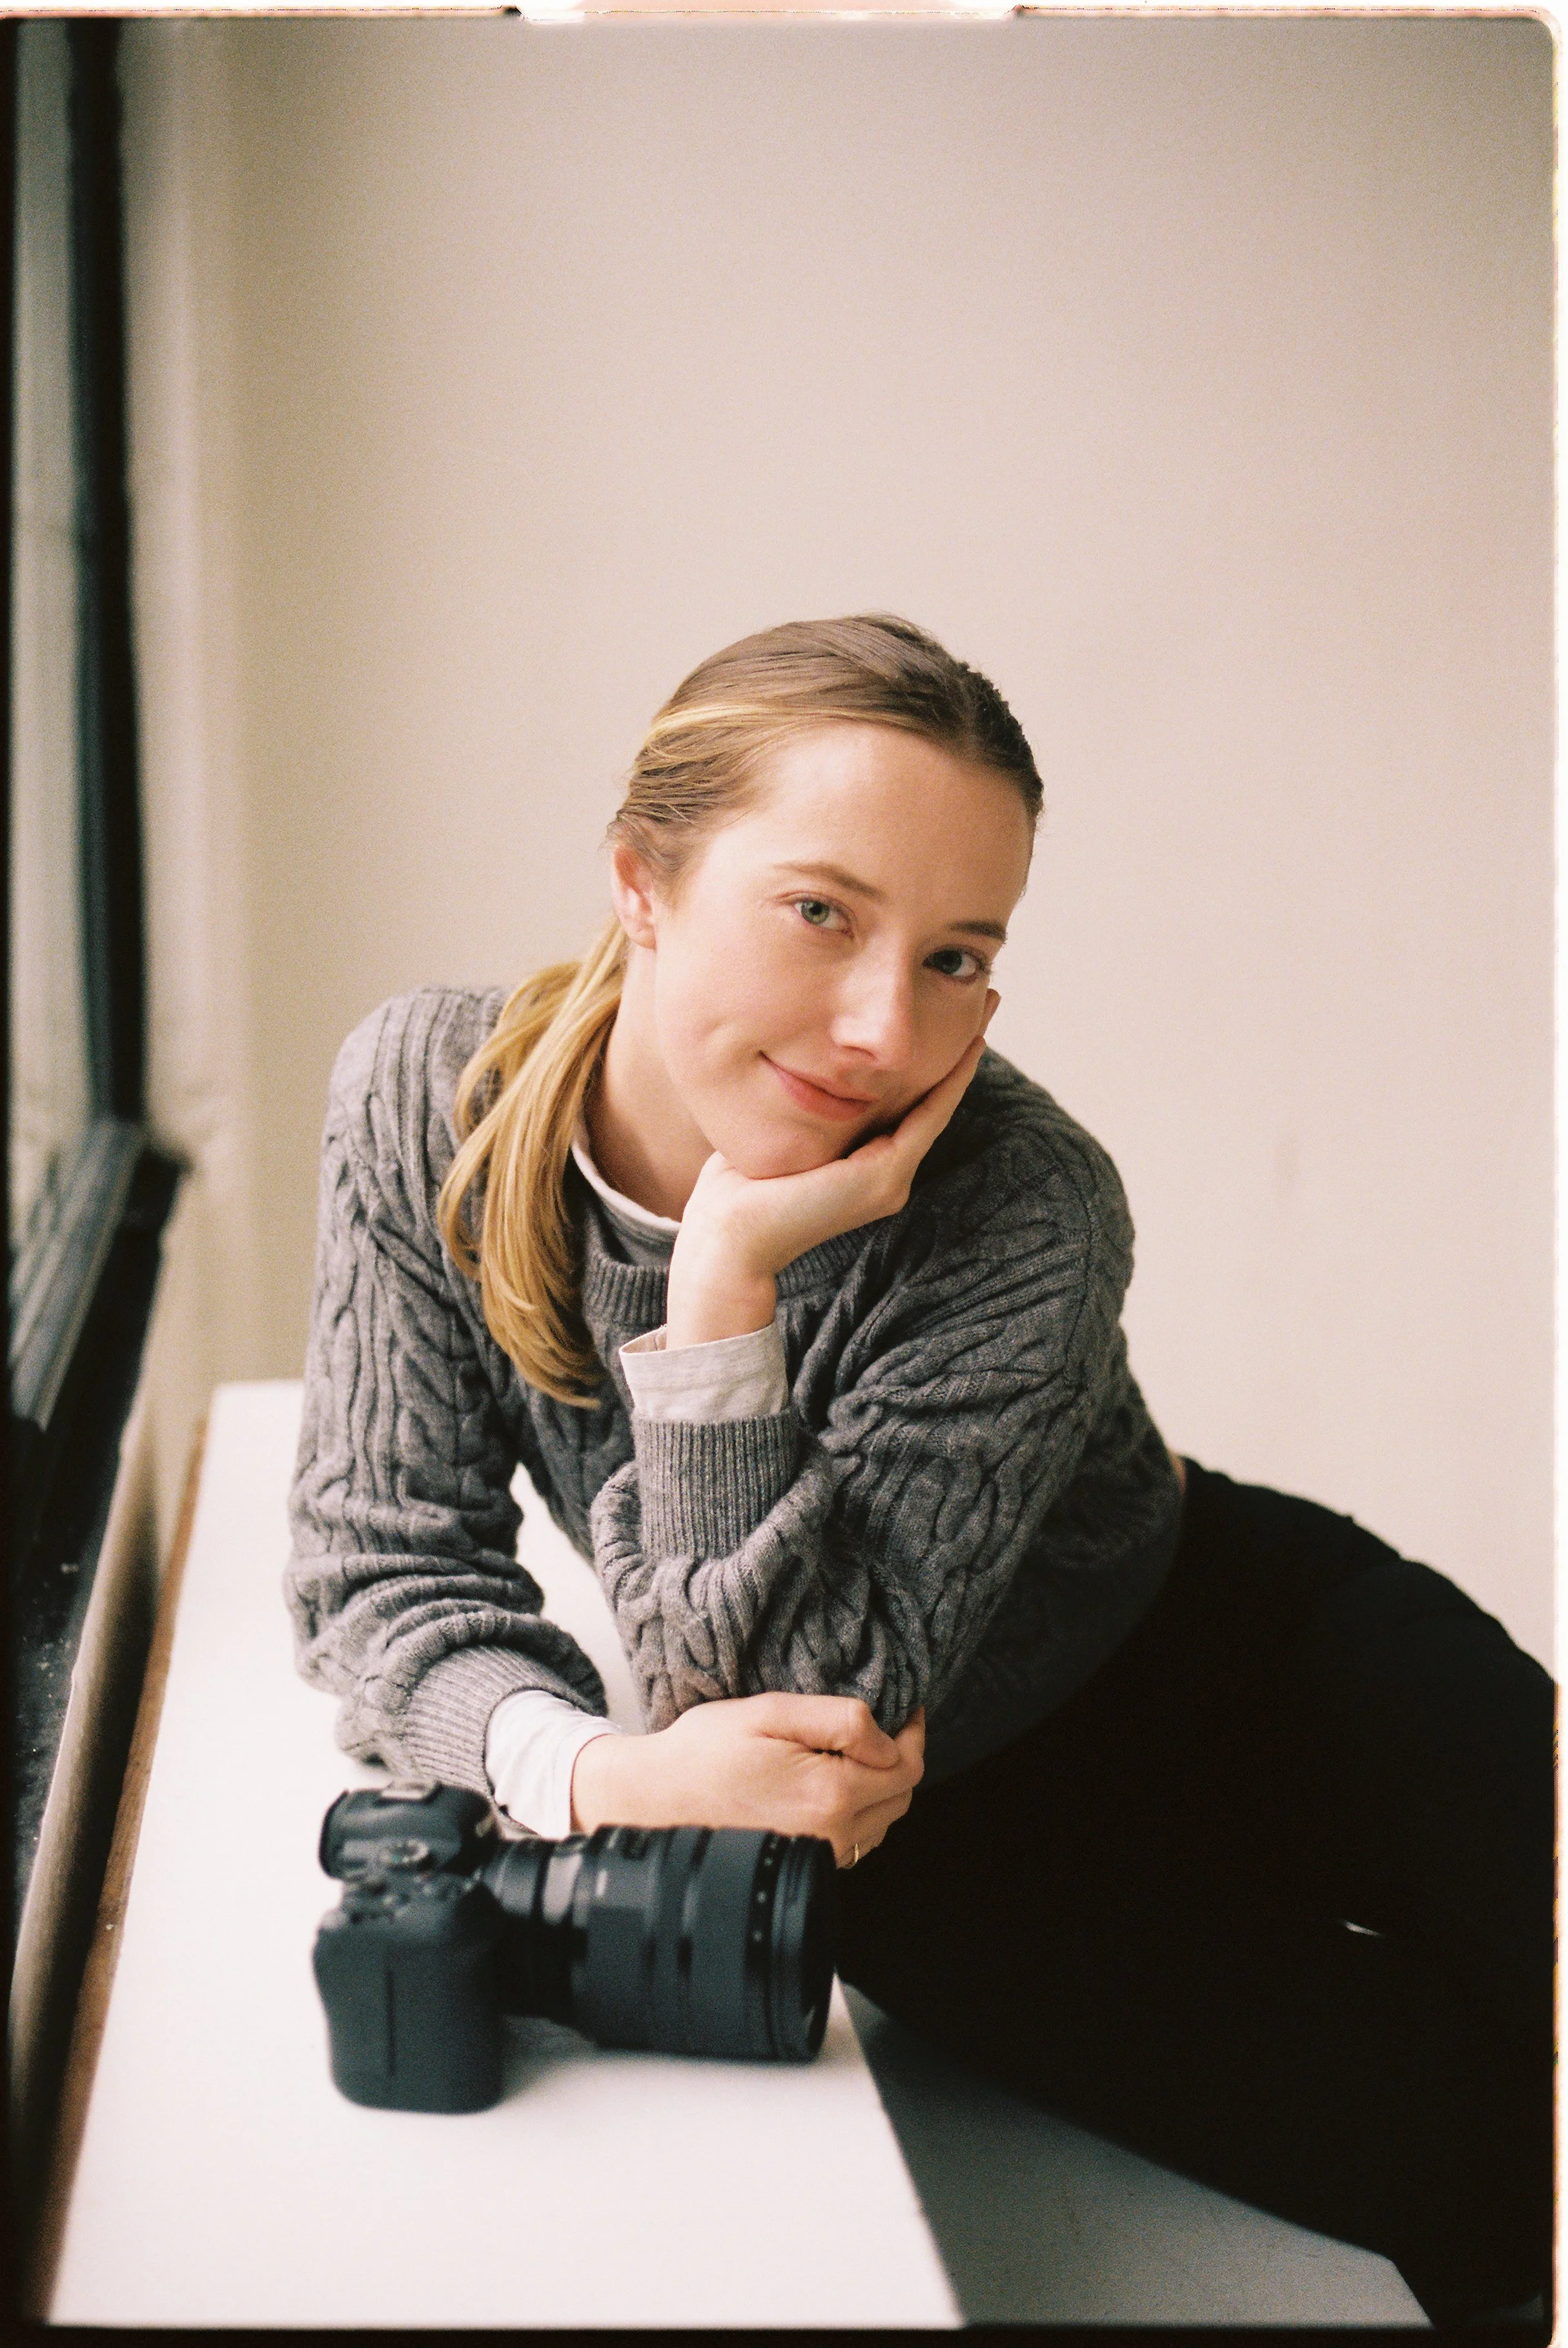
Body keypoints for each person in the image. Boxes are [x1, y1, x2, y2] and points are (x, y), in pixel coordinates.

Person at [286, 615, 1552, 2327]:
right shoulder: (425, 1096)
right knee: (1487, 2162)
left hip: (1243, 1646)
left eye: (958, 953)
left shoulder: (1024, 1196)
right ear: (639, 880)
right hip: (936, 1839)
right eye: (820, 912)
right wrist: (590, 1768)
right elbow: (415, 1579)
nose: (884, 1026)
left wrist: (722, 1275)